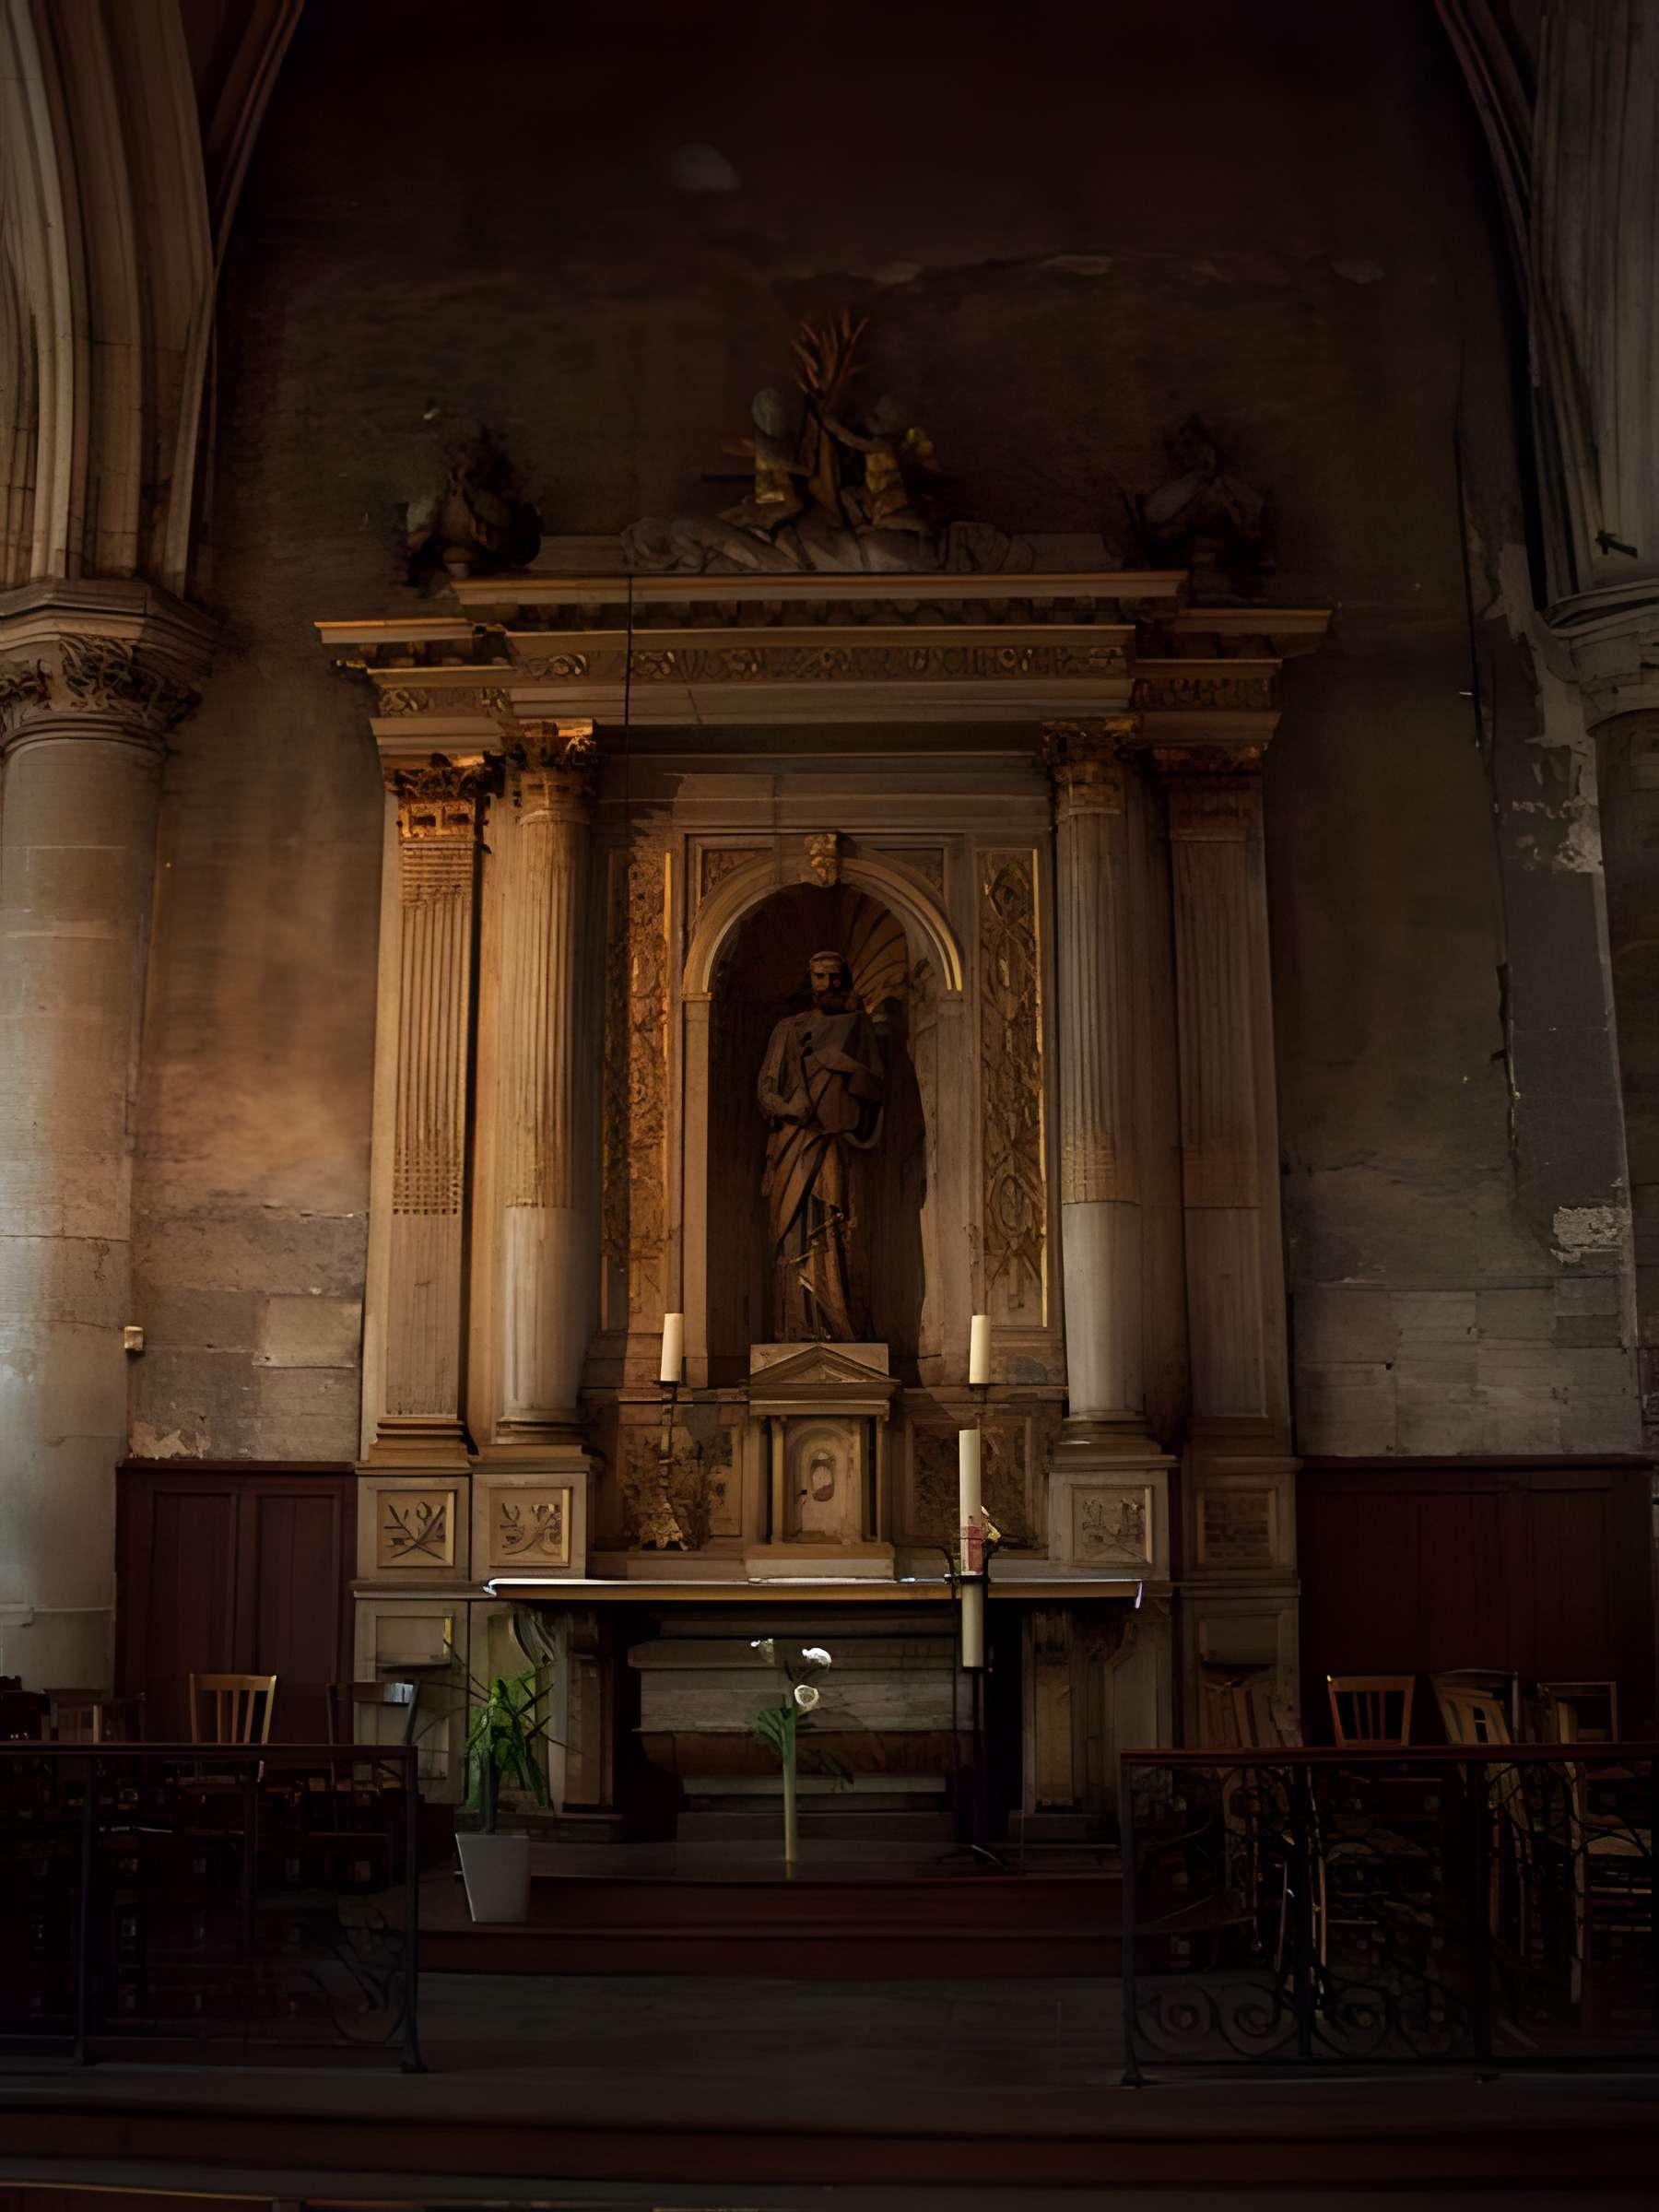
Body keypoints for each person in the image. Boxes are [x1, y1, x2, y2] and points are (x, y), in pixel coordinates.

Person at [757, 950, 885, 1340]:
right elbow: (765, 1090)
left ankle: (838, 1322)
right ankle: (797, 1326)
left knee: (836, 1225)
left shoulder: (858, 1028)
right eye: (820, 977)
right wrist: (789, 1105)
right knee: (792, 1230)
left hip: (835, 1143)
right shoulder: (789, 1029)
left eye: (835, 977)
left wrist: (840, 1064)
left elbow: (876, 1089)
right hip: (793, 1143)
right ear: (808, 981)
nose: (828, 985)